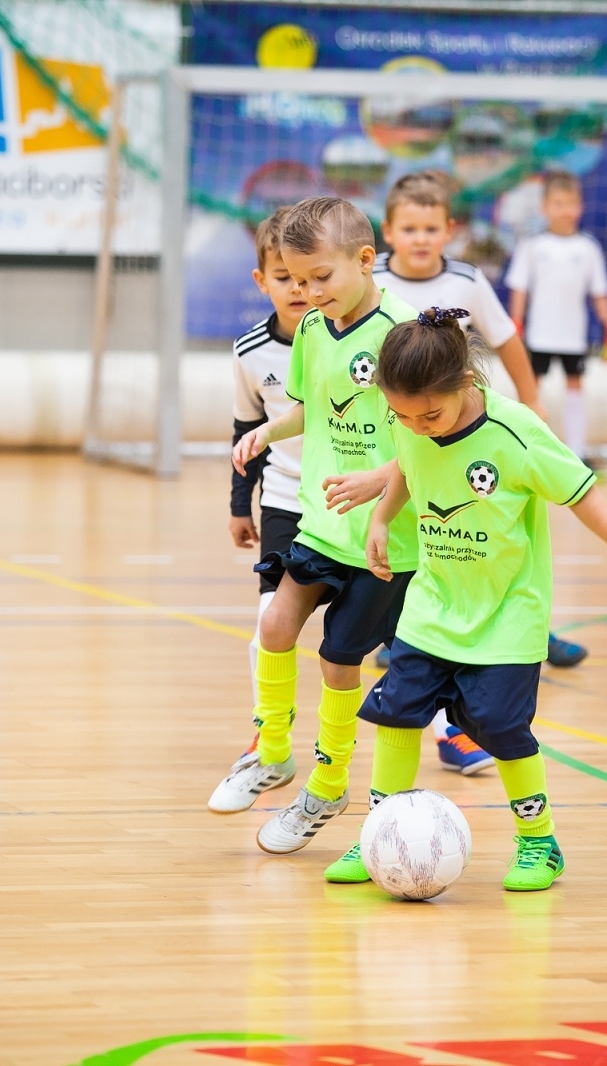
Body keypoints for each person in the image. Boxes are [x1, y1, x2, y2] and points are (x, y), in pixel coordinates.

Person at [320, 306, 607, 891]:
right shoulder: (409, 419)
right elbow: (409, 464)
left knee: (500, 726)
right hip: (432, 606)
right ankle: (379, 831)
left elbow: (580, 492)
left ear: (467, 383)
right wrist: (382, 515)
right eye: (401, 414)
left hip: (506, 614)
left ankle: (538, 842)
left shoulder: (516, 431)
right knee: (395, 713)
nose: (417, 425)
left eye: (430, 414)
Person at [215, 197, 420, 853]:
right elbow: (311, 410)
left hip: (385, 534)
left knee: (339, 658)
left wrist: (380, 483)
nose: (306, 294)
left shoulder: (404, 332)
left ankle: (328, 785)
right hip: (321, 522)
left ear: (366, 260)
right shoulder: (309, 330)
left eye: (320, 279)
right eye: (296, 282)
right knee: (274, 623)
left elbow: (432, 432)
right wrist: (264, 434)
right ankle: (273, 751)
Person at [377, 174, 589, 694]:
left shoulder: (467, 281)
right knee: (415, 537)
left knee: (481, 536)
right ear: (388, 232)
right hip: (401, 432)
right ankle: (402, 633)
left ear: (449, 230)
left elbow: (507, 338)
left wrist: (532, 397)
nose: (421, 238)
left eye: (431, 227)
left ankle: (529, 630)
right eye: (410, 227)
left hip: (457, 434)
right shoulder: (372, 280)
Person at [208, 209, 309, 811]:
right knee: (268, 627)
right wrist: (238, 504)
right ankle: (271, 737)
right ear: (261, 280)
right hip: (285, 503)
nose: (298, 289)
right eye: (283, 277)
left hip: (356, 504)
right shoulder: (250, 352)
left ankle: (444, 728)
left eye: (307, 276)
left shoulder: (353, 339)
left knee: (393, 637)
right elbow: (246, 428)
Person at [504, 170, 607, 462]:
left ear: (580, 207)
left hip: (573, 336)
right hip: (540, 334)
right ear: (544, 208)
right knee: (532, 387)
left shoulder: (588, 248)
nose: (565, 210)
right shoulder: (532, 246)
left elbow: (599, 292)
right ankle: (526, 449)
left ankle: (577, 452)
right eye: (557, 203)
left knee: (576, 386)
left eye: (571, 203)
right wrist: (516, 324)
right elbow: (519, 289)